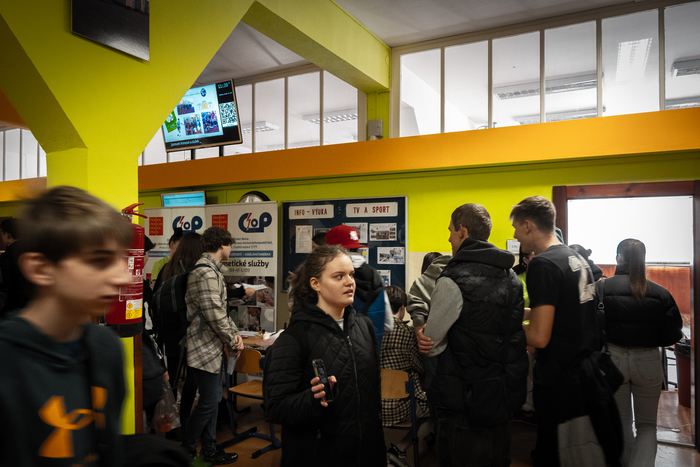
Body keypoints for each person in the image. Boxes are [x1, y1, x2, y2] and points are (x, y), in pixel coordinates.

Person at [0, 186, 132, 466]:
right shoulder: (7, 360)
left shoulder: (106, 348)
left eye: (121, 259)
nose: (123, 277)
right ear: (40, 268)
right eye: (100, 260)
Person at [424, 203, 528, 467]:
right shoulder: (511, 277)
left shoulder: (452, 279)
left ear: (462, 230)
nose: (449, 238)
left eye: (450, 230)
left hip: (463, 401)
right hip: (501, 394)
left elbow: (433, 344)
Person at [263, 244, 386, 467]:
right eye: (339, 276)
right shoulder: (294, 338)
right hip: (319, 455)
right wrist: (312, 399)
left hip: (367, 452)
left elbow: (372, 394)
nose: (350, 282)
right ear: (315, 284)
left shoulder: (364, 327)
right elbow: (276, 408)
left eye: (351, 275)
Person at [510, 195, 601, 466]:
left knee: (553, 452)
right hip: (582, 370)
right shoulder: (575, 257)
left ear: (528, 225)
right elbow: (563, 311)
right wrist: (515, 313)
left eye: (515, 227)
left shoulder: (543, 263)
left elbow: (539, 337)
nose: (515, 235)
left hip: (558, 377)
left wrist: (497, 330)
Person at [603, 239, 682, 467]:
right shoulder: (661, 293)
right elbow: (673, 333)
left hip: (613, 360)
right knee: (647, 427)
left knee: (621, 422)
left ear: (619, 258)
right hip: (648, 360)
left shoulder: (602, 288)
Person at [182, 226, 243, 465]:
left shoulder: (211, 271)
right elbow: (214, 313)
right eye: (230, 245)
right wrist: (231, 339)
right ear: (221, 245)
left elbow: (219, 311)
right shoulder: (206, 273)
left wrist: (235, 334)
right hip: (204, 347)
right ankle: (187, 449)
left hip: (211, 346)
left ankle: (210, 450)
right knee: (209, 401)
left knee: (213, 401)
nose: (231, 249)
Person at [381, 285, 429, 467]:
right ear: (402, 308)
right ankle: (400, 449)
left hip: (373, 406)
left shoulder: (370, 331)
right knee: (435, 409)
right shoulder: (408, 334)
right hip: (401, 407)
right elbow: (420, 366)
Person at [325, 224, 393, 349]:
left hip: (334, 353)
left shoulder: (327, 278)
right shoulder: (375, 276)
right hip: (369, 353)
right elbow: (388, 325)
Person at [408, 251, 451, 354]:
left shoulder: (420, 282)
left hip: (428, 338)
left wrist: (419, 335)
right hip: (453, 335)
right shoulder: (454, 279)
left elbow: (417, 313)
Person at [0, 217, 32, 317]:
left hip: (14, 308)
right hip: (33, 306)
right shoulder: (33, 253)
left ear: (7, 234)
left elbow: (5, 288)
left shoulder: (6, 257)